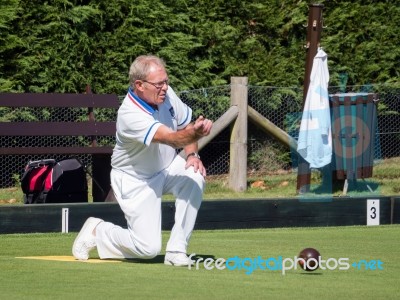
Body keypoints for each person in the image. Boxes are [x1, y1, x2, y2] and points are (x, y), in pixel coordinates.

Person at [72, 55, 213, 266]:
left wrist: (193, 155)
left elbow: (185, 125)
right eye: (159, 84)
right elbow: (173, 139)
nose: (165, 87)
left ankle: (177, 251)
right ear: (139, 85)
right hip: (136, 180)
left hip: (166, 168)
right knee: (147, 249)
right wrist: (196, 134)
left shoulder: (166, 94)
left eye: (166, 81)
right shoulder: (129, 115)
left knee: (194, 176)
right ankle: (98, 230)